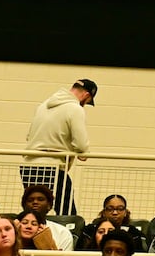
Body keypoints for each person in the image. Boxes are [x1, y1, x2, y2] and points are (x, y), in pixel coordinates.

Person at [22, 78, 98, 215]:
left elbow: (29, 137)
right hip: (53, 167)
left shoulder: (43, 105)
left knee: (34, 213)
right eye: (87, 102)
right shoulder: (75, 109)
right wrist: (82, 153)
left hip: (29, 167)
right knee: (67, 213)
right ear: (86, 95)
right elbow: (81, 144)